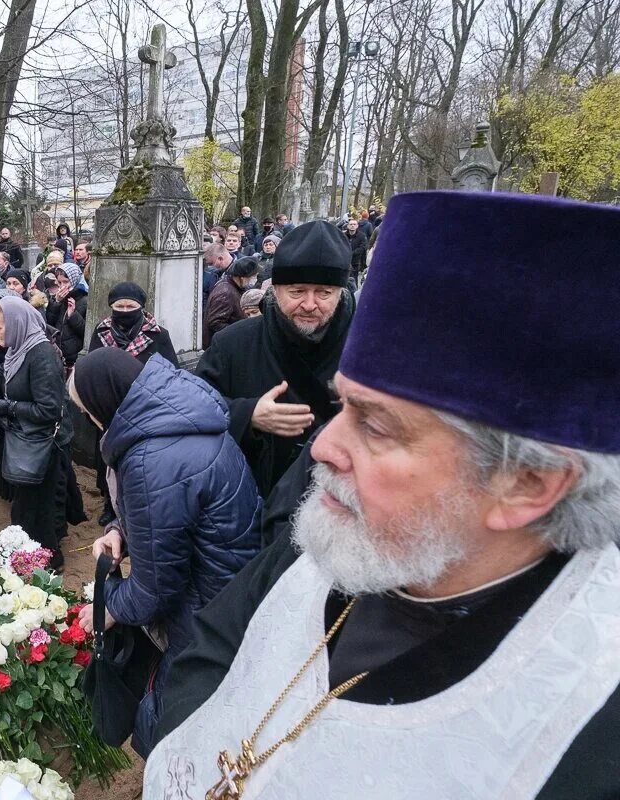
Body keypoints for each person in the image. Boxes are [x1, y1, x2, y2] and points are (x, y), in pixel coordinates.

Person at [146, 190, 620, 799]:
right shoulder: (334, 524)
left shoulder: (589, 729)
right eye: (342, 404)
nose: (321, 448)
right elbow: (212, 642)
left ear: (524, 483)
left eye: (375, 424)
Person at [69, 348, 261, 756]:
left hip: (206, 609)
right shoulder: (172, 419)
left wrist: (109, 607)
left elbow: (158, 587)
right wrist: (119, 530)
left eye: (88, 411)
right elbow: (171, 510)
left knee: (179, 729)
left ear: (105, 402)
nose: (90, 421)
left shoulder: (149, 457)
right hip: (230, 584)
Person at [197, 221, 355, 497]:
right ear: (275, 289)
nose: (309, 303)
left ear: (341, 293)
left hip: (338, 502)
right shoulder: (233, 343)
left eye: (324, 293)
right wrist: (248, 415)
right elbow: (192, 409)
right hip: (253, 502)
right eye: (297, 291)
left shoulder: (368, 349)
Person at [0, 296, 74, 564]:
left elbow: (49, 410)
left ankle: (49, 562)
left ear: (18, 323)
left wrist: (6, 407)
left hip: (43, 443)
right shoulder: (15, 349)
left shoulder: (41, 354)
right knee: (28, 504)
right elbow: (3, 387)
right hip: (25, 437)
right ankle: (34, 551)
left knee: (38, 507)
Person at [87, 282, 179, 525]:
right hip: (109, 412)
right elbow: (92, 366)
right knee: (109, 461)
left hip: (144, 411)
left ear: (141, 307)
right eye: (120, 306)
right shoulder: (101, 331)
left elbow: (170, 371)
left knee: (138, 462)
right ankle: (110, 502)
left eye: (131, 306)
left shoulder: (158, 334)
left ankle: (137, 505)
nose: (125, 310)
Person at [205, 256, 260, 347]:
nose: (255, 279)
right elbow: (215, 323)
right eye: (253, 276)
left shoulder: (235, 287)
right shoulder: (225, 293)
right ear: (242, 278)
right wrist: (239, 331)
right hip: (223, 346)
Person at [45, 262, 87, 369]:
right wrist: (56, 302)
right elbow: (50, 322)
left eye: (66, 282)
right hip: (58, 354)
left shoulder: (84, 300)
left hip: (74, 357)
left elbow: (85, 332)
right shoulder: (59, 299)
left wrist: (73, 315)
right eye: (59, 282)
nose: (62, 286)